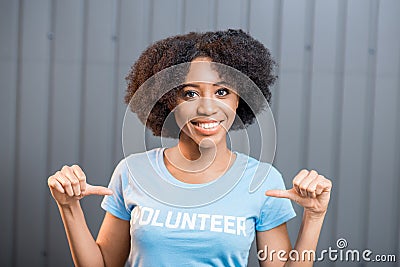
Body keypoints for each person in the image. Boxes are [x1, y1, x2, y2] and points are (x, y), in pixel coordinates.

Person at [48, 29, 332, 267]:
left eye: (222, 92)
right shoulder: (133, 172)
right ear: (169, 100)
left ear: (238, 101)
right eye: (190, 93)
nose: (208, 107)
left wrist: (314, 217)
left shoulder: (263, 181)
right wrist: (69, 206)